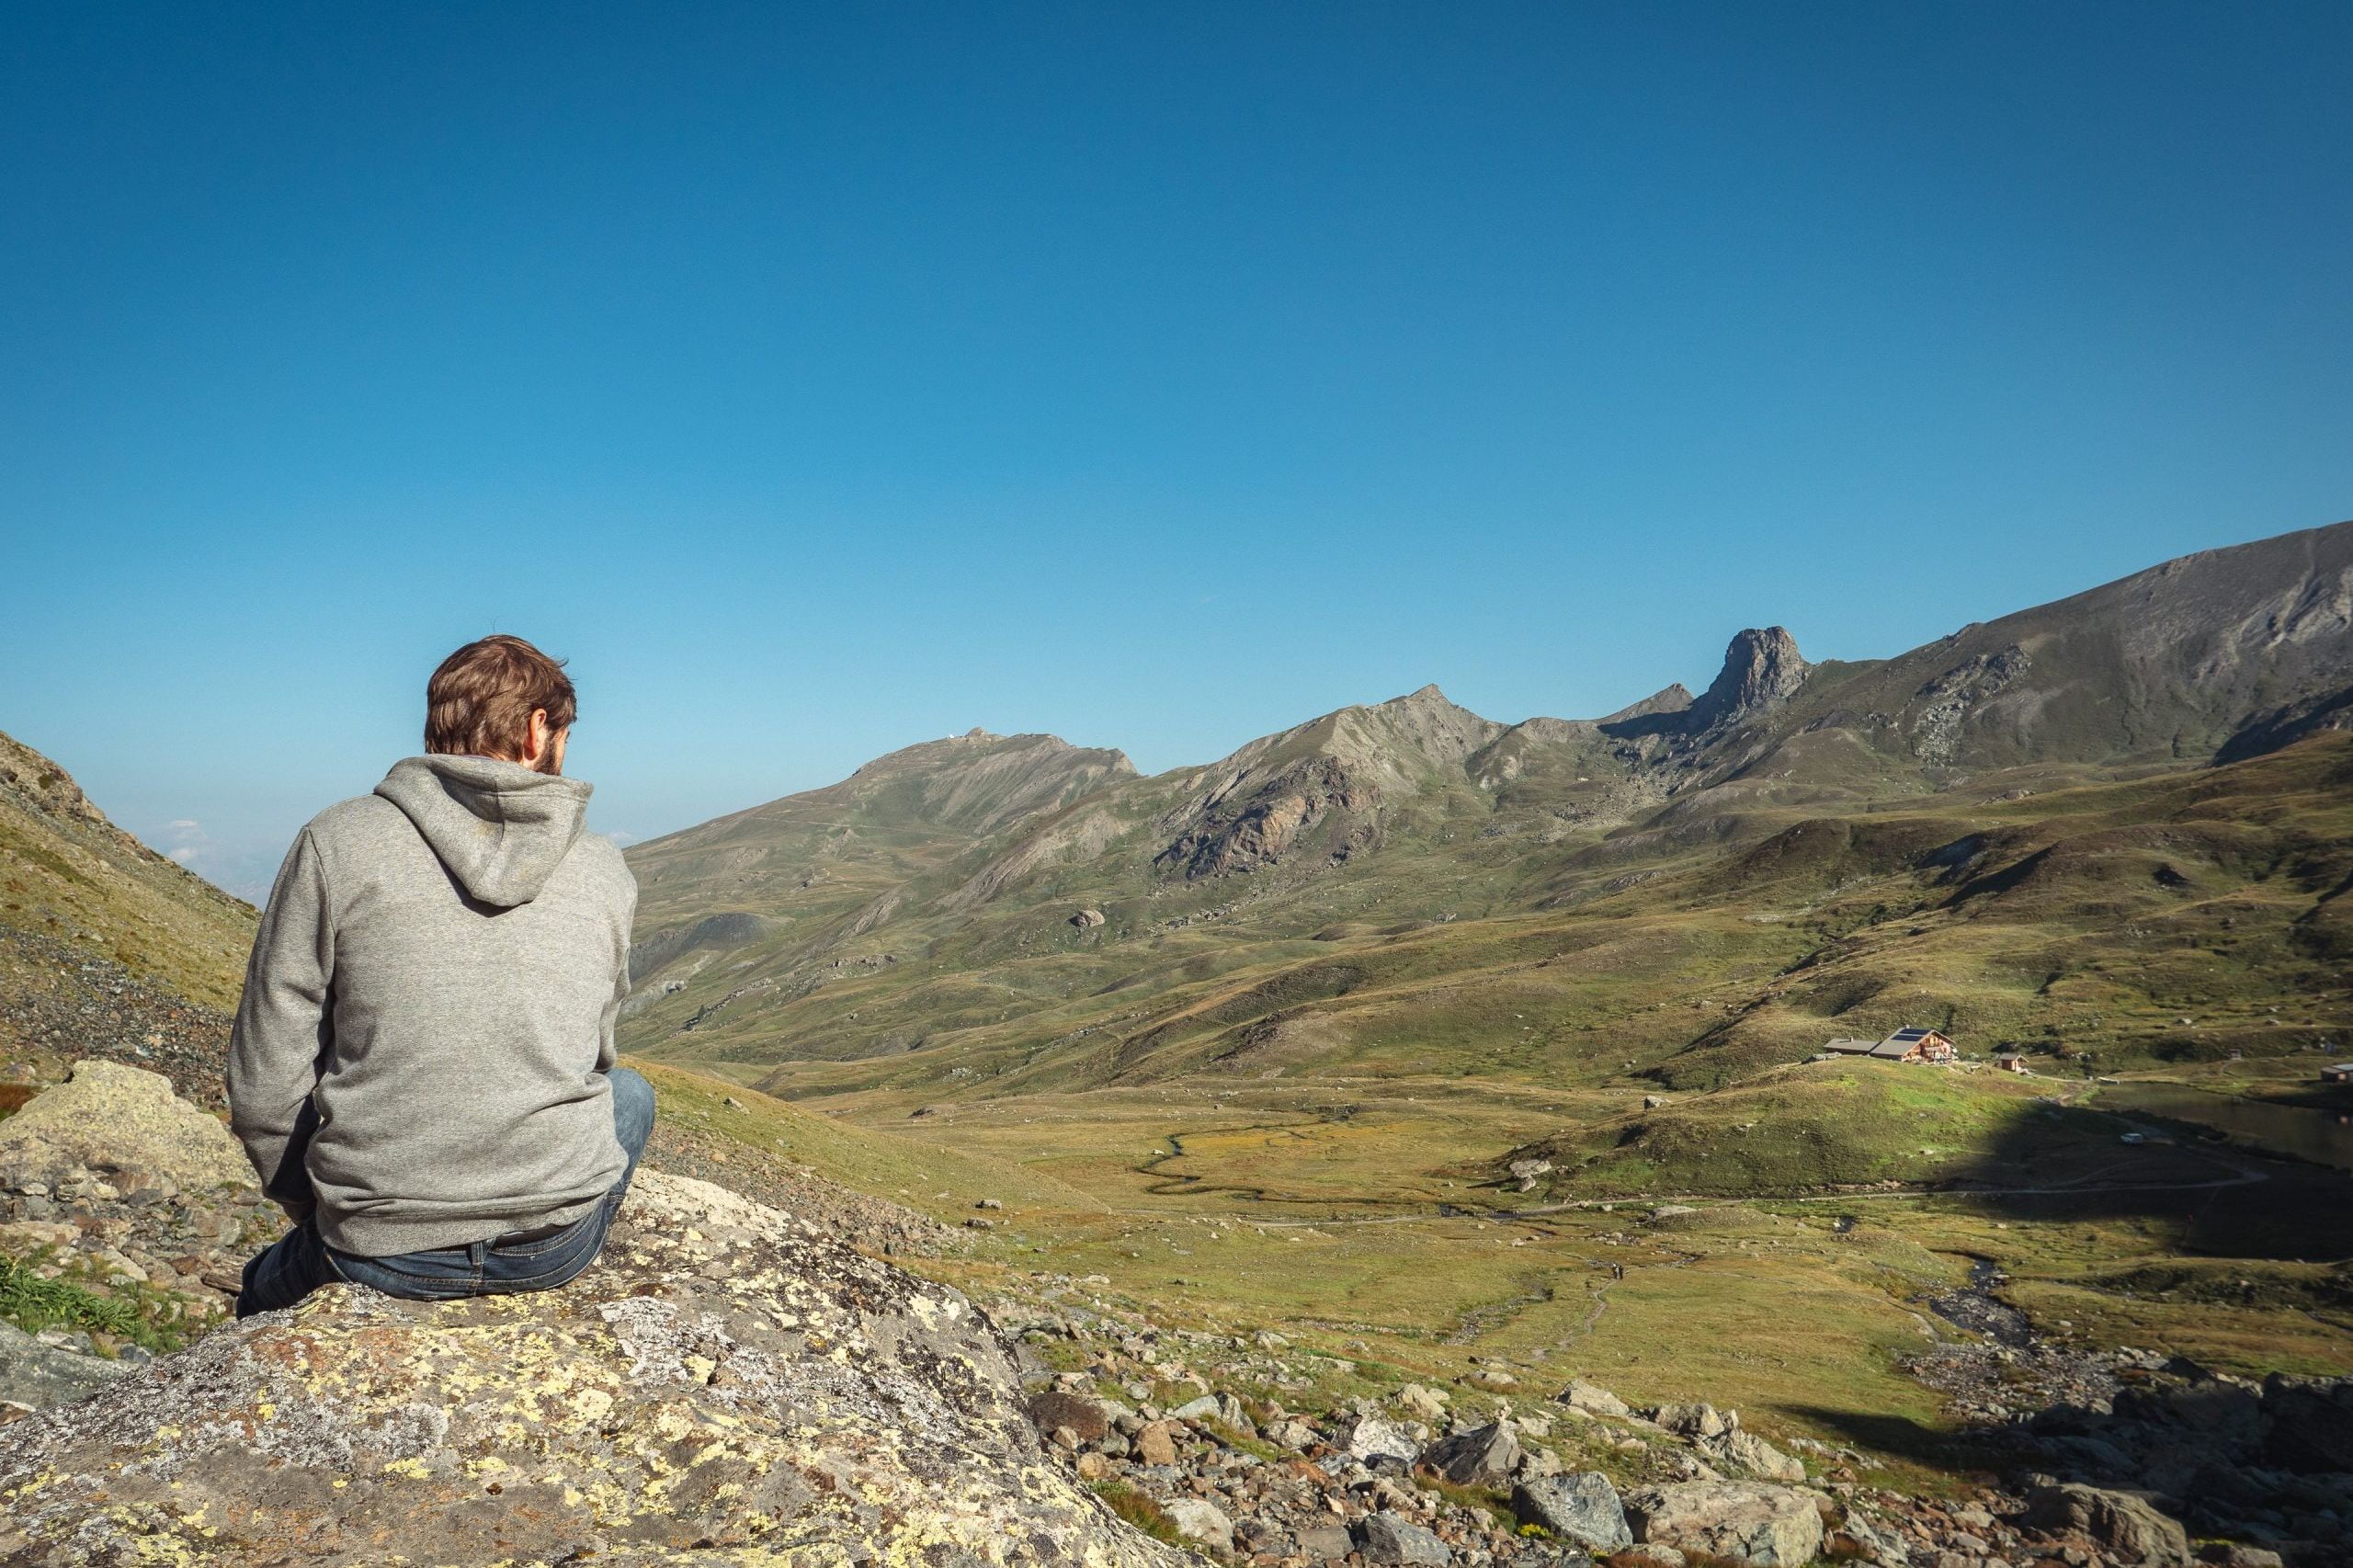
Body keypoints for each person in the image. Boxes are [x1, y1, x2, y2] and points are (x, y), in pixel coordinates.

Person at [228, 633, 652, 1317]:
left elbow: (263, 1081)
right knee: (631, 1095)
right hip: (551, 1248)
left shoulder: (336, 841)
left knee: (257, 1290)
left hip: (379, 1249)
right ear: (537, 729)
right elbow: (596, 1056)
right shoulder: (603, 866)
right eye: (566, 731)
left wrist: (325, 1207)